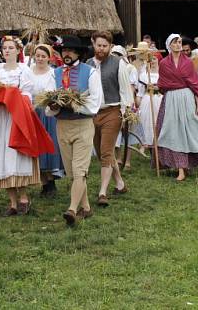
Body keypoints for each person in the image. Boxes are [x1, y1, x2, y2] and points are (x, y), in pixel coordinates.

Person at [44, 35, 102, 226]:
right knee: (71, 172)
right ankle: (86, 208)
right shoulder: (55, 74)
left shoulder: (91, 73)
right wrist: (54, 104)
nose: (66, 53)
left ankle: (72, 209)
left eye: (71, 50)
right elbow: (48, 105)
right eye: (64, 50)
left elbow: (95, 102)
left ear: (79, 53)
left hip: (83, 125)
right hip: (62, 126)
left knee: (79, 171)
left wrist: (74, 105)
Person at [0, 36, 39, 215]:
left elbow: (30, 94)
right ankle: (12, 202)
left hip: (17, 118)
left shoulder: (24, 71)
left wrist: (15, 97)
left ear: (17, 50)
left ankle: (23, 197)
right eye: (4, 48)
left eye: (11, 47)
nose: (7, 50)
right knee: (1, 155)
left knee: (16, 155)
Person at [155, 34, 198, 180]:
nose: (178, 45)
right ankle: (179, 168)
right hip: (171, 98)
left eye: (179, 42)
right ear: (169, 46)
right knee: (173, 131)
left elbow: (195, 84)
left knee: (188, 130)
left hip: (187, 97)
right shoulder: (164, 63)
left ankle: (188, 164)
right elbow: (162, 84)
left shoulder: (188, 63)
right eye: (175, 42)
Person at [86, 31, 130, 206]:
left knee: (106, 151)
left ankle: (102, 192)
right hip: (93, 113)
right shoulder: (88, 65)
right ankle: (119, 184)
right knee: (102, 152)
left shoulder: (118, 64)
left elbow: (125, 90)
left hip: (112, 111)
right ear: (93, 44)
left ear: (110, 46)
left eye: (105, 46)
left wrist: (125, 111)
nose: (101, 49)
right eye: (99, 45)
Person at [28, 44, 64, 197]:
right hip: (32, 111)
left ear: (49, 57)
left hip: (47, 112)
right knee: (36, 147)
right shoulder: (28, 72)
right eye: (38, 56)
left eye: (43, 56)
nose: (40, 58)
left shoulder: (53, 73)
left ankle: (51, 181)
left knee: (49, 145)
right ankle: (43, 181)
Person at [111, 44, 138, 169]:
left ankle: (127, 160)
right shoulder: (110, 68)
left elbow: (132, 87)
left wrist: (130, 104)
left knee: (128, 132)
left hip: (127, 102)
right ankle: (118, 158)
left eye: (118, 55)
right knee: (116, 132)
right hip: (115, 102)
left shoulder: (130, 68)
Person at [133, 43, 162, 149]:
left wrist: (158, 88)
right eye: (150, 59)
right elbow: (140, 92)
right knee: (147, 121)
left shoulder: (162, 73)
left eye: (154, 58)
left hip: (158, 99)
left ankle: (158, 143)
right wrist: (138, 104)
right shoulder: (144, 75)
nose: (152, 61)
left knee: (158, 121)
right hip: (147, 100)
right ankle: (145, 144)